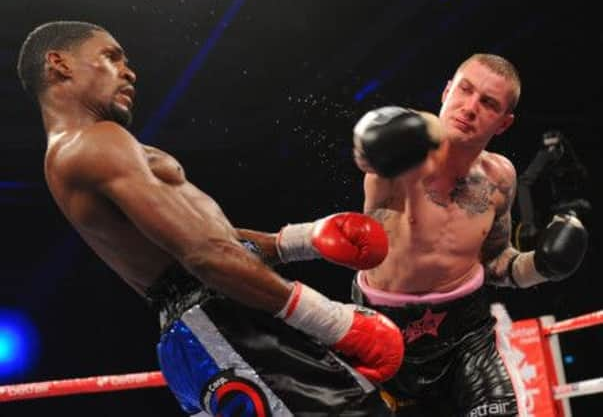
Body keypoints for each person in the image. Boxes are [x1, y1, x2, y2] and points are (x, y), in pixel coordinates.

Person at [16, 20, 406, 416]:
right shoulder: (95, 142)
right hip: (224, 323)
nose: (129, 71)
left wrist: (299, 240)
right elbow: (203, 255)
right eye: (111, 57)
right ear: (59, 64)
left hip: (211, 330)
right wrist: (335, 321)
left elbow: (201, 242)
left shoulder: (82, 151)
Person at [240, 54, 589, 416]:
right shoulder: (405, 151)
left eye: (488, 103)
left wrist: (541, 266)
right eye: (465, 91)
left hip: (466, 336)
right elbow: (377, 150)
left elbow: (497, 261)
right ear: (446, 91)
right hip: (383, 335)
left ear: (504, 123)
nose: (469, 108)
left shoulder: (501, 177)